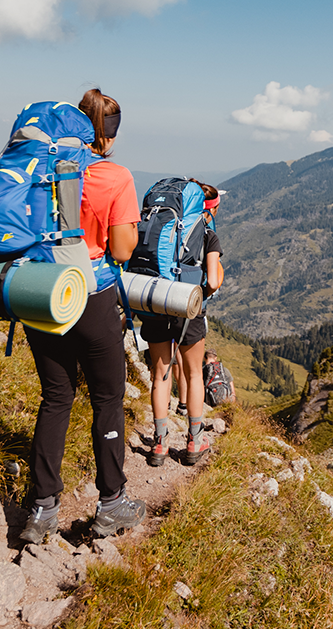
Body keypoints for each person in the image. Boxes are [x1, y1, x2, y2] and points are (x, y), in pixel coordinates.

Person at [19, 89, 145, 543]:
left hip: (39, 292)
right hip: (90, 295)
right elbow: (122, 249)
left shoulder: (38, 166)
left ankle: (41, 508)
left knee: (56, 397)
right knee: (107, 400)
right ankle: (111, 503)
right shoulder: (114, 176)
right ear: (107, 135)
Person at [143, 181, 225, 466]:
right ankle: (194, 439)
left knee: (160, 375)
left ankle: (160, 444)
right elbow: (213, 280)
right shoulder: (208, 235)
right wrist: (202, 295)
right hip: (188, 309)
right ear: (209, 208)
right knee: (193, 375)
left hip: (155, 301)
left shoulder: (162, 224)